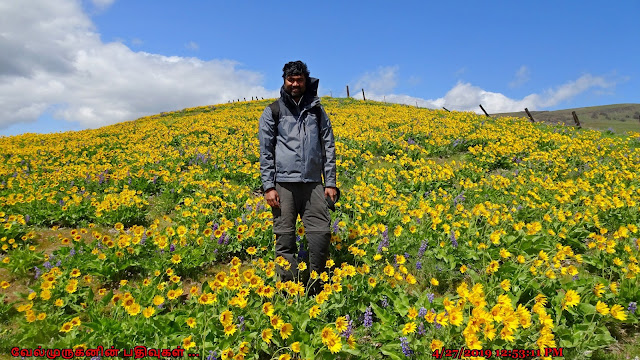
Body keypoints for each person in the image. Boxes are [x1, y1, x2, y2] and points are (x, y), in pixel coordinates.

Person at [258, 60, 338, 296]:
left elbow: (328, 147)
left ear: (306, 81)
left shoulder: (317, 110)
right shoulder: (273, 111)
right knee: (285, 238)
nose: (295, 84)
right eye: (291, 80)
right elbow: (266, 151)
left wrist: (330, 182)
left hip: (313, 183)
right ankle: (288, 291)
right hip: (283, 184)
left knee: (321, 235)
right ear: (284, 81)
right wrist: (268, 186)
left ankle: (316, 287)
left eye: (299, 80)